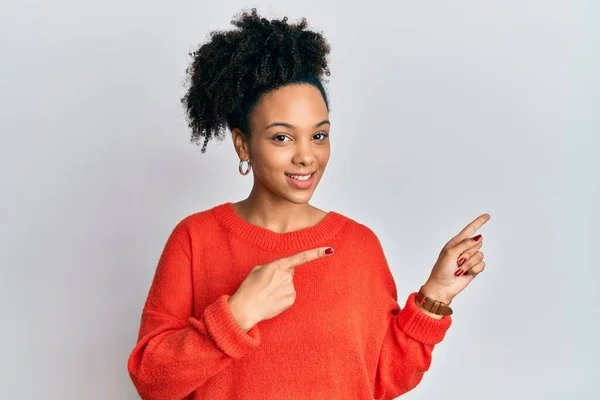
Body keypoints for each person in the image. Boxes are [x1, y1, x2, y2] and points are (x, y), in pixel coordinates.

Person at [127, 7, 490, 400]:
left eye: (319, 136)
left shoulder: (359, 246)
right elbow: (152, 381)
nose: (306, 156)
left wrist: (435, 295)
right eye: (282, 137)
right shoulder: (194, 240)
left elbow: (383, 377)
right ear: (242, 143)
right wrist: (237, 315)